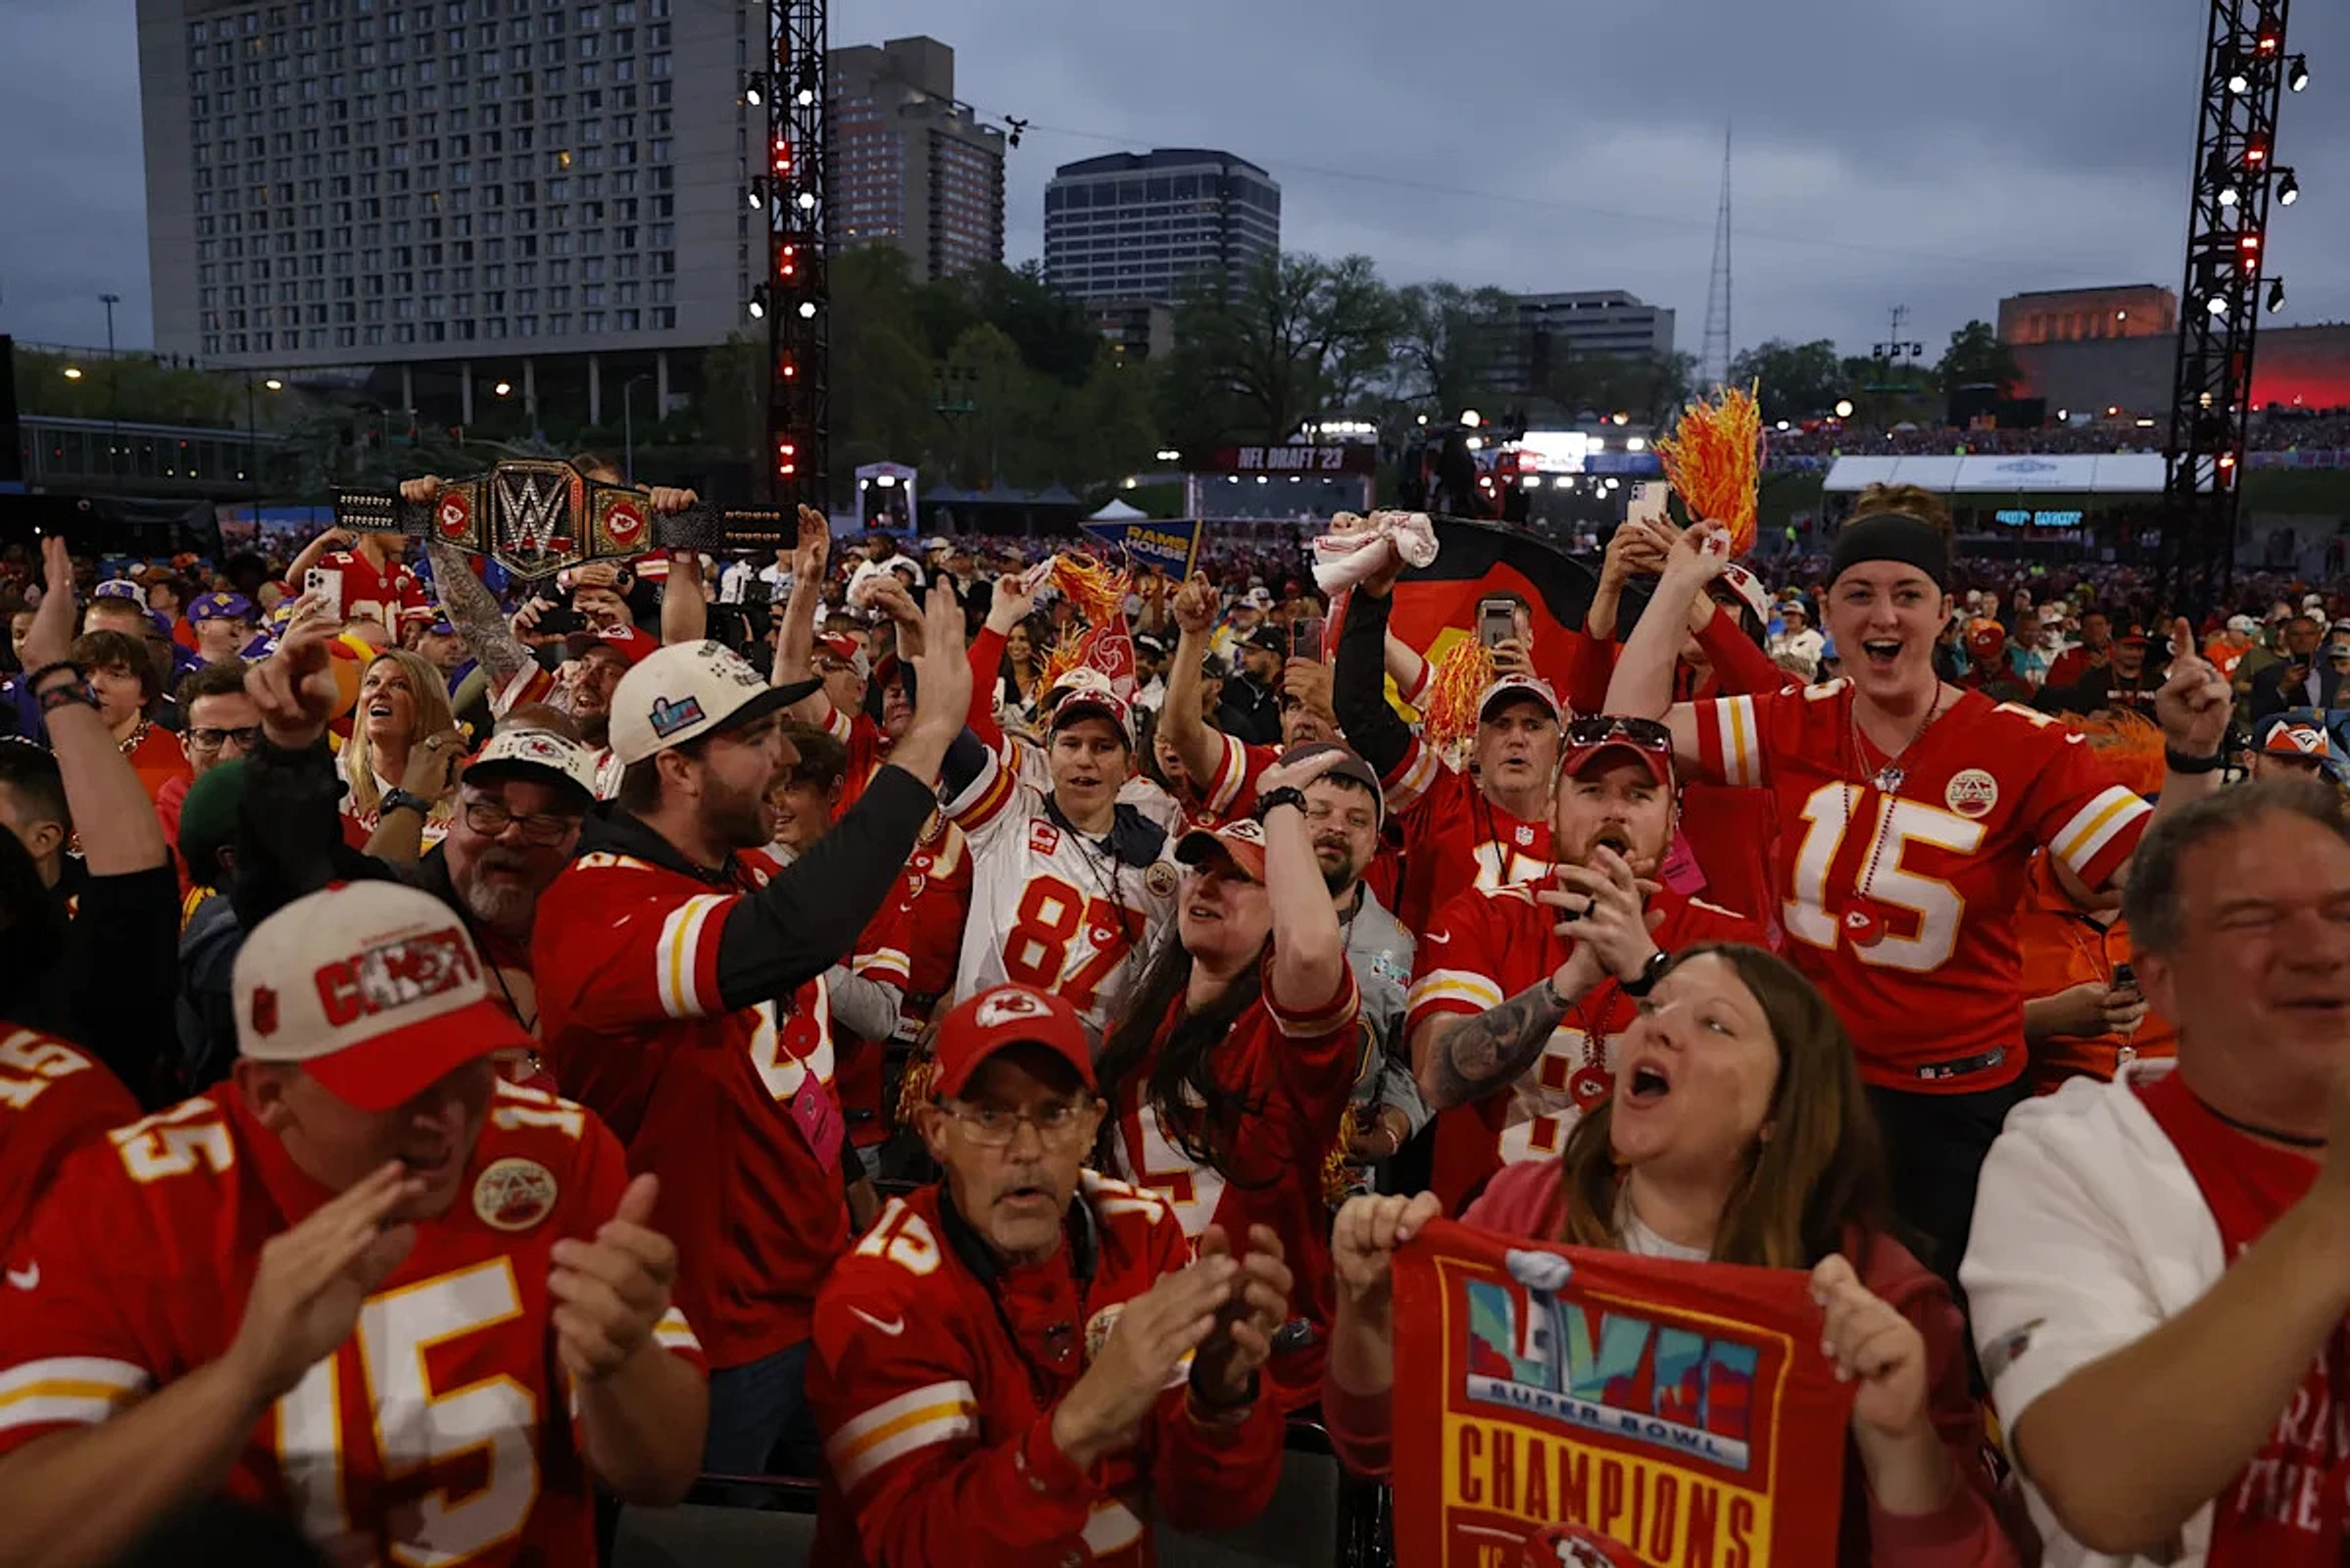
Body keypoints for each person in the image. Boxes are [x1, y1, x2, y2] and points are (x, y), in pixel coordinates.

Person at [0, 880, 709, 1568]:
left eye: (466, 1064)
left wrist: (621, 1362)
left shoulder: (555, 1148)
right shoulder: (129, 1198)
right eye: (400, 1084)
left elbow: (663, 1474)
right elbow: (21, 1533)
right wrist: (243, 1378)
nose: (449, 1117)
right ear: (269, 1094)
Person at [1606, 503, 2231, 1280]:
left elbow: (2157, 885)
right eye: (1859, 594)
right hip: (1812, 1088)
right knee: (1796, 1297)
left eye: (1908, 594)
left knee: (1936, 1323)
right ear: (1828, 612)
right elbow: (1628, 735)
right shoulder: (1797, 719)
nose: (1884, 615)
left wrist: (2192, 759)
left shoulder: (2021, 743)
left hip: (1955, 1107)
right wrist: (1677, 585)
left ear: (1944, 613)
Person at [1326, 946, 2021, 1568]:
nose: (1655, 1028)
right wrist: (1367, 1311)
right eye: (1655, 1007)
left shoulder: (1879, 1298)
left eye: (1715, 1024)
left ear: (1782, 1110)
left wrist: (1900, 1443)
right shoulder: (1523, 1210)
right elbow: (1377, 1449)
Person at [534, 595, 971, 1476]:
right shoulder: (597, 903)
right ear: (679, 767)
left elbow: (784, 1070)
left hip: (811, 1298)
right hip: (704, 1336)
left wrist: (855, 1205)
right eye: (758, 737)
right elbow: (789, 940)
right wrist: (926, 741)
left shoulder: (733, 876)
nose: (787, 757)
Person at [1963, 778, 2350, 1566]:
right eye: (2255, 918)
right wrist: (2332, 1218)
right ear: (2161, 977)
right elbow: (2104, 1491)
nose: (2322, 950)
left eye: (2345, 914)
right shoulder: (2068, 1160)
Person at [808, 984, 1289, 1566]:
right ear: (936, 1131)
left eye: (1055, 1112)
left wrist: (1220, 1396)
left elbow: (1205, 1507)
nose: (1027, 1148)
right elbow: (917, 1548)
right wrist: (1089, 1415)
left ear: (1091, 1128)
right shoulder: (878, 1295)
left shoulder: (1139, 1233)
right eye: (990, 1115)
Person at [1093, 749, 1363, 1411]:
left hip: (1252, 1370)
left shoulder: (1286, 1041)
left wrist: (1281, 808)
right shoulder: (1136, 1030)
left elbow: (1311, 953)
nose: (1208, 887)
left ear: (1283, 910)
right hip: (1135, 1353)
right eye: (1202, 870)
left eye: (1239, 877)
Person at [1407, 714, 1765, 1210]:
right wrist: (1568, 983)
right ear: (1552, 811)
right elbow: (1439, 1079)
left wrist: (1647, 972)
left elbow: (1761, 1102)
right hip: (1492, 1237)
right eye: (1592, 791)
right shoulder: (1481, 918)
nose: (1614, 812)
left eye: (1639, 794)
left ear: (1671, 821)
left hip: (1652, 1242)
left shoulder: (1730, 943)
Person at [940, 661, 1176, 1043]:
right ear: (1049, 755)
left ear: (1128, 766)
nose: (1085, 759)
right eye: (1070, 743)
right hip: (983, 1059)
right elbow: (945, 728)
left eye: (1103, 747)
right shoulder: (1008, 815)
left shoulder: (1166, 862)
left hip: (1087, 1075)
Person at [1334, 547, 1565, 931]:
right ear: (1478, 738)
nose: (1516, 738)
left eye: (1533, 725)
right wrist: (1371, 597)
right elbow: (1361, 713)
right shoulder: (1441, 799)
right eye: (1500, 724)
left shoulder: (1582, 826)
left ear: (1560, 743)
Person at [339, 649, 465, 845]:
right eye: (372, 682)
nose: (379, 692)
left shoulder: (461, 790)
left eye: (399, 685)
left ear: (427, 707)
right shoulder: (339, 782)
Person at [66, 628, 188, 804]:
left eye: (116, 675)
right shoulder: (52, 761)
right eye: (84, 674)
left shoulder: (177, 765)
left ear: (143, 693)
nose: (96, 685)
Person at [2249, 613, 2337, 718]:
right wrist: (2282, 689)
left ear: (2318, 638)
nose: (2303, 640)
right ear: (2287, 639)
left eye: (2309, 634)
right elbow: (2258, 715)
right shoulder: (2267, 676)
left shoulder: (2334, 675)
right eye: (2295, 634)